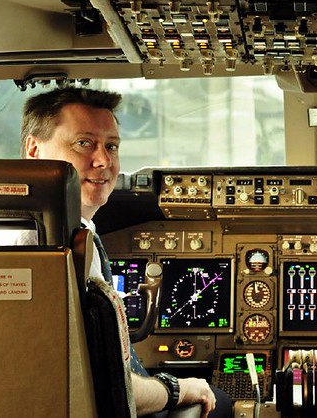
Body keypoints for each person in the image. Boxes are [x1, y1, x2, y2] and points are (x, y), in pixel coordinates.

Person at [21, 87, 232, 418]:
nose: (103, 160)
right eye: (84, 143)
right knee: (217, 401)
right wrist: (178, 388)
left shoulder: (26, 231)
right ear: (34, 149)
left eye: (112, 146)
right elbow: (110, 389)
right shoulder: (64, 248)